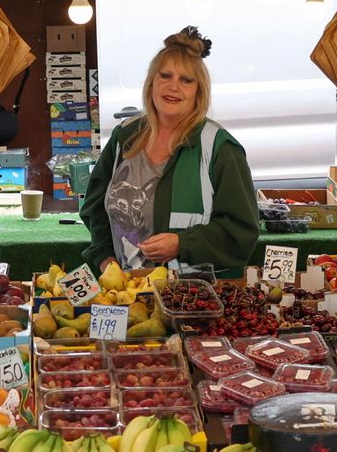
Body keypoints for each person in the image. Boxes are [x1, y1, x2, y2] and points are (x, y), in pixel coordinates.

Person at [81, 27, 260, 272]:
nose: (173, 87)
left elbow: (242, 231)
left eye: (186, 80)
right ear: (151, 81)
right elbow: (94, 208)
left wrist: (182, 243)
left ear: (199, 91)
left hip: (193, 298)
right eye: (165, 76)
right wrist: (104, 258)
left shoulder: (220, 148)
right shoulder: (125, 137)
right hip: (128, 290)